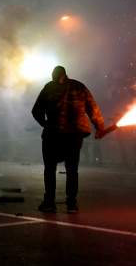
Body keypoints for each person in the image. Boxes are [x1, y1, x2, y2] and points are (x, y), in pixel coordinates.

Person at [32, 66, 115, 213]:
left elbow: (36, 110)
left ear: (55, 75)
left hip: (53, 135)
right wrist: (100, 128)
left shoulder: (50, 87)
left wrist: (45, 124)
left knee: (50, 169)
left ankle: (50, 202)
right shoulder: (79, 87)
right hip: (74, 135)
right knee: (72, 169)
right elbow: (93, 109)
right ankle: (71, 204)